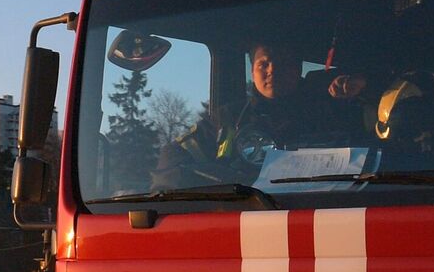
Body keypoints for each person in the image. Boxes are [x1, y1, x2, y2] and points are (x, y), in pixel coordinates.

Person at [151, 39, 367, 187]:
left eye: (282, 62)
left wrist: (359, 89)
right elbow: (173, 157)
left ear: (298, 68)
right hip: (247, 215)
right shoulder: (228, 117)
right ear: (253, 70)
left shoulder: (327, 109)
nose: (272, 70)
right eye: (264, 63)